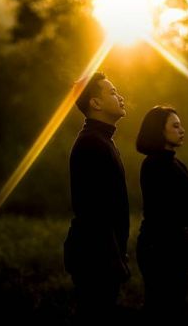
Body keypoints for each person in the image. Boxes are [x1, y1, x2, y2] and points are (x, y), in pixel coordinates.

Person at [63, 72, 130, 325]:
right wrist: (114, 259)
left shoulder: (103, 141)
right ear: (95, 103)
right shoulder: (92, 143)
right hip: (95, 257)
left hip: (101, 255)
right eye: (112, 92)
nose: (120, 96)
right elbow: (95, 213)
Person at [135, 105, 188, 321]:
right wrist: (184, 241)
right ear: (159, 131)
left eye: (181, 125)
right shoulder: (154, 165)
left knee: (174, 308)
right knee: (162, 310)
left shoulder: (175, 163)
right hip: (161, 250)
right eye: (175, 126)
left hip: (175, 247)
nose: (181, 130)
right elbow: (163, 214)